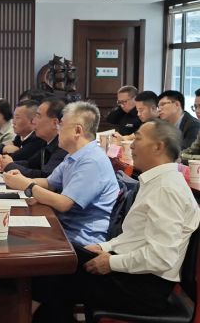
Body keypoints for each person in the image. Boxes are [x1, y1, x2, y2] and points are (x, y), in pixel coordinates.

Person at [32, 119, 200, 322]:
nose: (132, 146)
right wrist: (103, 247)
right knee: (55, 264)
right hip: (133, 271)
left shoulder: (167, 189)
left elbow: (162, 257)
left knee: (50, 276)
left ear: (158, 147)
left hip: (144, 287)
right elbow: (134, 237)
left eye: (138, 139)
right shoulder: (157, 182)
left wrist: (111, 262)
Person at [3, 101, 119, 245]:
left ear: (77, 131)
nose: (58, 130)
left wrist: (28, 186)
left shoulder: (92, 161)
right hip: (64, 228)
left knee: (16, 241)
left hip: (80, 241)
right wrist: (19, 179)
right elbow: (49, 183)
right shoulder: (73, 155)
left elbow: (64, 203)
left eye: (61, 125)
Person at [0, 98, 68, 178]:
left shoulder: (63, 146)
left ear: (54, 123)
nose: (33, 121)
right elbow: (30, 164)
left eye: (38, 116)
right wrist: (6, 163)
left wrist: (10, 165)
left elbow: (46, 176)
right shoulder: (47, 142)